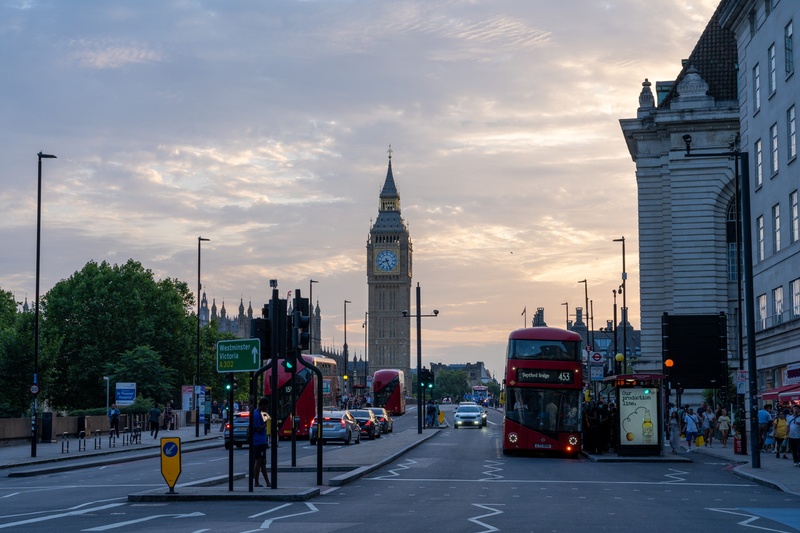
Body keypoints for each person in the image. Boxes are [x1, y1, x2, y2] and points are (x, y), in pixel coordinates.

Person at [251, 398, 270, 488]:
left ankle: (268, 482)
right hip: (258, 442)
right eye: (266, 406)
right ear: (262, 405)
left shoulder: (260, 414)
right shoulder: (256, 415)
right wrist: (266, 424)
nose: (267, 408)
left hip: (262, 441)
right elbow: (258, 429)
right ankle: (256, 483)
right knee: (259, 462)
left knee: (263, 462)